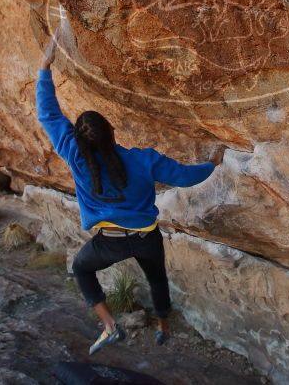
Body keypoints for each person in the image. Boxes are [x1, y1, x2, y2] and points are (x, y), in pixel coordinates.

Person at [36, 34, 225, 355]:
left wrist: (45, 66)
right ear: (112, 133)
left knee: (82, 269)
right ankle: (163, 327)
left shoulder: (74, 155)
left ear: (78, 141)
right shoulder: (143, 159)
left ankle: (110, 326)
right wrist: (212, 163)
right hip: (146, 237)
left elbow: (49, 115)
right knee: (157, 279)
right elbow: (184, 176)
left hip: (109, 241)